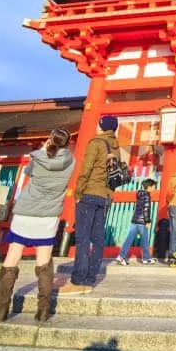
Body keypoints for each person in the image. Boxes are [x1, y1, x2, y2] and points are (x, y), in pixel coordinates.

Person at [0, 128, 74, 323]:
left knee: (13, 255)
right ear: (66, 143)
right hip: (47, 215)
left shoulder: (38, 158)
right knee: (44, 260)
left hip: (25, 212)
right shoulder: (71, 161)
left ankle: (2, 310)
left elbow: (29, 172)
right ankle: (43, 310)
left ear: (50, 140)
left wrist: (42, 150)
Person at [63, 115, 122, 294]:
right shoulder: (116, 148)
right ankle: (90, 280)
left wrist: (78, 193)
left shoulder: (96, 142)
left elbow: (85, 169)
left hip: (89, 194)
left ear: (102, 126)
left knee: (82, 238)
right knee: (97, 239)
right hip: (104, 197)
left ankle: (77, 280)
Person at [115, 178, 158, 265]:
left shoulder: (140, 194)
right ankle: (146, 258)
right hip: (142, 221)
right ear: (149, 187)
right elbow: (146, 209)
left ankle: (121, 256)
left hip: (135, 220)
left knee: (129, 239)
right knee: (145, 240)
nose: (154, 188)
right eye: (154, 186)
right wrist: (147, 221)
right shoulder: (147, 195)